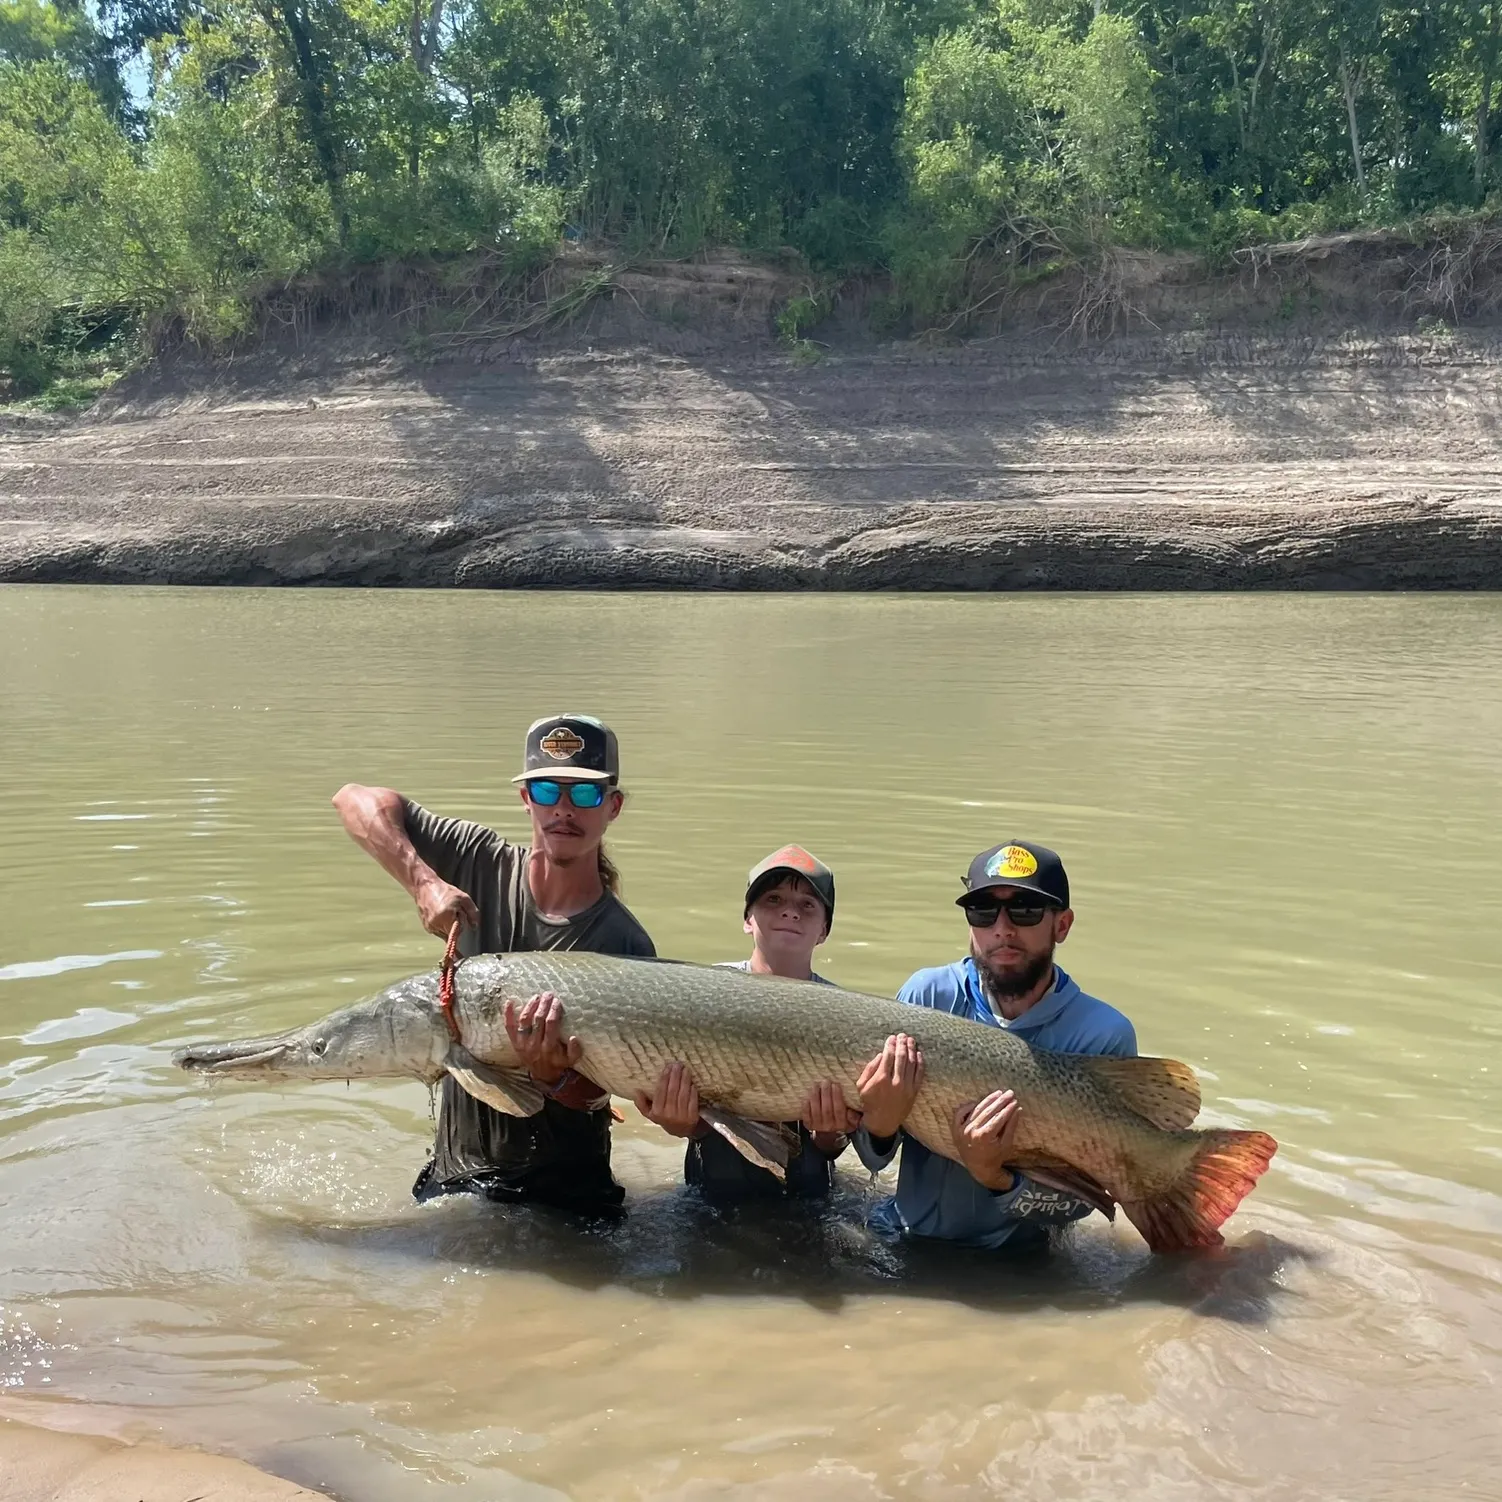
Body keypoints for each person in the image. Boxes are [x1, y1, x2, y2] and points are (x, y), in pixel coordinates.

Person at [331, 714, 655, 1216]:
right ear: (526, 798)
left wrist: (556, 1079)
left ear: (612, 807)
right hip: (455, 1177)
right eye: (548, 790)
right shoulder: (476, 860)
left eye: (585, 795)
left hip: (566, 1196)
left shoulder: (626, 943)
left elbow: (609, 1092)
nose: (564, 809)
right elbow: (354, 799)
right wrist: (422, 882)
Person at [854, 840, 1137, 1250]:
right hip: (902, 1239)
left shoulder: (1102, 1034)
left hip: (1021, 1266)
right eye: (983, 911)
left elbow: (1083, 1202)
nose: (1002, 928)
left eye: (1025, 910)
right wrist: (878, 1125)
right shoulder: (927, 995)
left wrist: (996, 1176)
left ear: (1062, 924)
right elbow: (873, 1160)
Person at [635, 845, 857, 1203]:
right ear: (747, 918)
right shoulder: (702, 993)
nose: (790, 912)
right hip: (710, 1192)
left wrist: (830, 1135)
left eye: (807, 905)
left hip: (809, 1197)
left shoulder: (845, 1016)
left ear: (824, 930)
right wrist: (682, 1123)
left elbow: (839, 1145)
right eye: (773, 899)